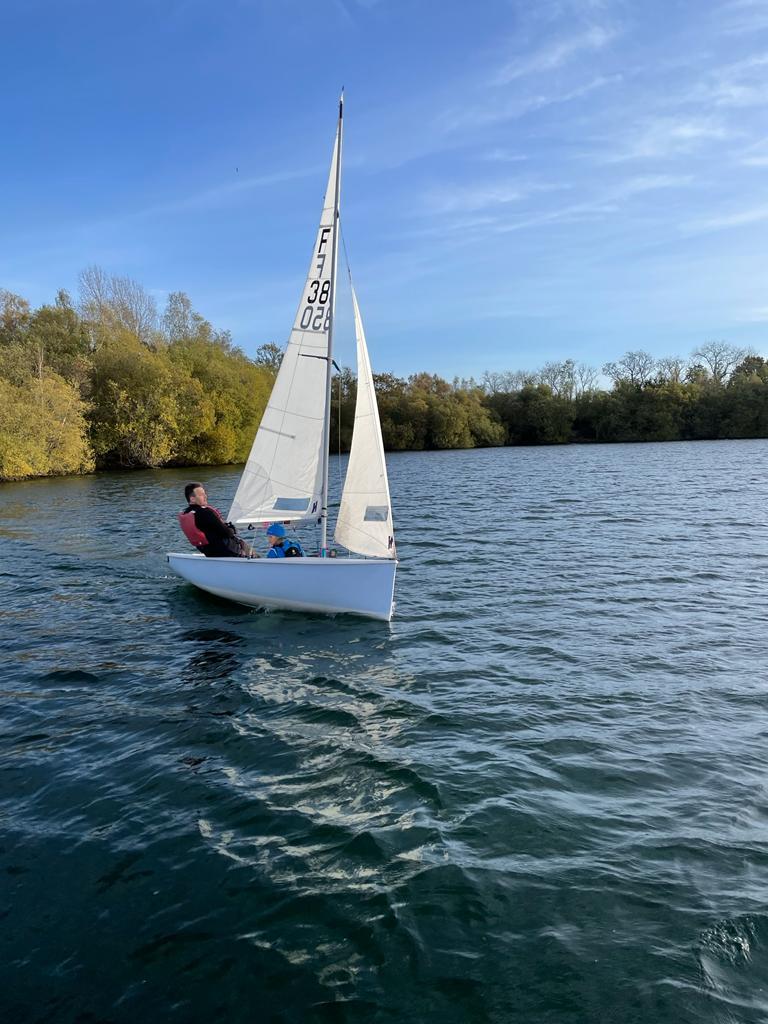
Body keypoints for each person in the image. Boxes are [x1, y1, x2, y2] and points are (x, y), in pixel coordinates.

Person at [178, 483, 251, 558]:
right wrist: (232, 529)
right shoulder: (205, 512)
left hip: (208, 551)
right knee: (247, 549)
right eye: (201, 495)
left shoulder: (186, 513)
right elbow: (227, 533)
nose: (205, 496)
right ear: (192, 499)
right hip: (225, 550)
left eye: (205, 494)